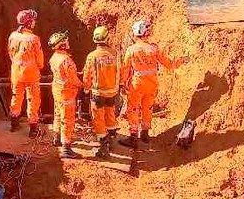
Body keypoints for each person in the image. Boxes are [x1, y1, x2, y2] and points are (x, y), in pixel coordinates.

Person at [119, 20, 188, 149]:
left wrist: (123, 84)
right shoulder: (153, 48)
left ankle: (133, 137)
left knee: (133, 109)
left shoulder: (131, 50)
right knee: (148, 108)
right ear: (146, 33)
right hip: (152, 84)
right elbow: (170, 64)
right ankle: (145, 134)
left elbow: (125, 70)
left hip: (137, 84)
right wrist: (181, 60)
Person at [83, 26, 120, 159]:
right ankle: (112, 140)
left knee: (98, 119)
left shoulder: (92, 56)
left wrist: (86, 90)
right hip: (112, 92)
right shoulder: (115, 54)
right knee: (110, 114)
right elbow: (119, 71)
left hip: (98, 93)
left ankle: (103, 148)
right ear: (107, 38)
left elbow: (87, 76)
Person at [8, 9, 44, 138]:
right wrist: (39, 66)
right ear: (28, 23)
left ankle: (14, 124)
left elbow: (10, 53)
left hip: (16, 74)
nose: (34, 23)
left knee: (16, 97)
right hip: (31, 75)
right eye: (33, 21)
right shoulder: (34, 39)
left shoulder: (12, 36)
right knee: (33, 100)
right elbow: (40, 60)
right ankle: (33, 129)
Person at [48, 31, 82, 159]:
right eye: (66, 41)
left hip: (57, 91)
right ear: (62, 44)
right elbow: (72, 79)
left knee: (57, 114)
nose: (68, 43)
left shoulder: (54, 57)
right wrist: (82, 85)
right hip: (66, 93)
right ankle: (66, 148)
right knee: (67, 119)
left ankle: (56, 138)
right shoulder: (66, 60)